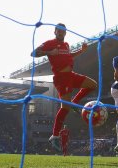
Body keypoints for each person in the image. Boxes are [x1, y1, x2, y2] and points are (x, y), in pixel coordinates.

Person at [31, 23, 97, 152]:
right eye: (59, 31)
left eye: (63, 31)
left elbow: (68, 56)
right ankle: (54, 136)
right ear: (55, 31)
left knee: (93, 84)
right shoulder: (50, 43)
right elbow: (33, 53)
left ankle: (74, 103)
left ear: (65, 32)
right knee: (65, 108)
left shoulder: (66, 45)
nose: (61, 33)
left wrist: (81, 51)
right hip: (61, 78)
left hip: (70, 75)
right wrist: (49, 52)